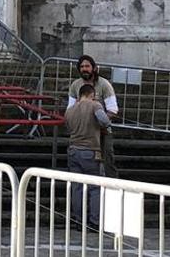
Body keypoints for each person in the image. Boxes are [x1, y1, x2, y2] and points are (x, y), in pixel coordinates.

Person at [66, 83, 111, 229]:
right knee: (94, 187)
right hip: (90, 151)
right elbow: (104, 120)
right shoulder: (95, 105)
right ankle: (94, 221)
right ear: (92, 95)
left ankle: (78, 220)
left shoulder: (70, 110)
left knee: (77, 187)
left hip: (73, 150)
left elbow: (67, 126)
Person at [66, 55, 119, 177]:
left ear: (94, 68)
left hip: (102, 133)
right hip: (81, 134)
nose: (84, 69)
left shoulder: (104, 84)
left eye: (87, 66)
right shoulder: (75, 85)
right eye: (82, 66)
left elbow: (113, 109)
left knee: (108, 164)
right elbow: (70, 109)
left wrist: (100, 122)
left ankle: (112, 190)